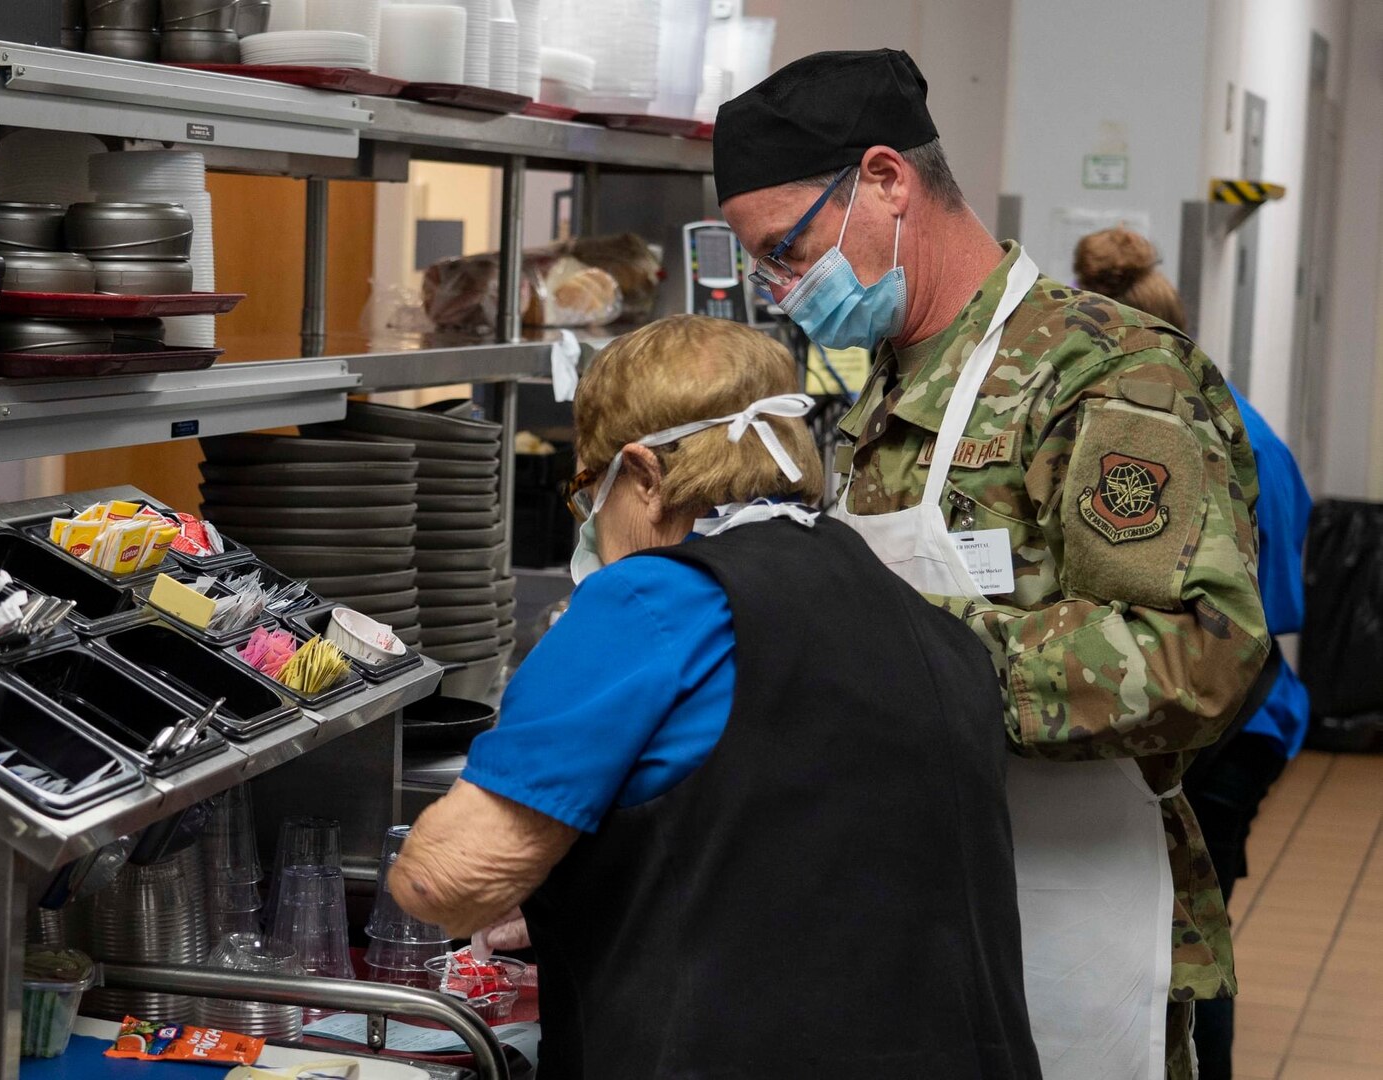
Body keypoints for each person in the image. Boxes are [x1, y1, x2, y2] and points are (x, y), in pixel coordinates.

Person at [713, 50, 1269, 1080]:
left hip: (1067, 915)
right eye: (764, 269)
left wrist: (887, 654)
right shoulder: (878, 388)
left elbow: (1199, 658)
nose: (784, 292)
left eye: (788, 251)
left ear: (885, 181)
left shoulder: (1103, 372)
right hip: (914, 922)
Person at [390, 315, 1042, 1079]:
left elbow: (451, 881)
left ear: (642, 475)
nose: (591, 527)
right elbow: (791, 849)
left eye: (585, 493)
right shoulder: (906, 608)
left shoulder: (646, 603)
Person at [1075, 226, 1314, 1080]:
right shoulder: (1244, 425)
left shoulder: (1202, 438)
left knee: (1184, 947)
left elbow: (1254, 617)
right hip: (1225, 722)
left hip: (1218, 730)